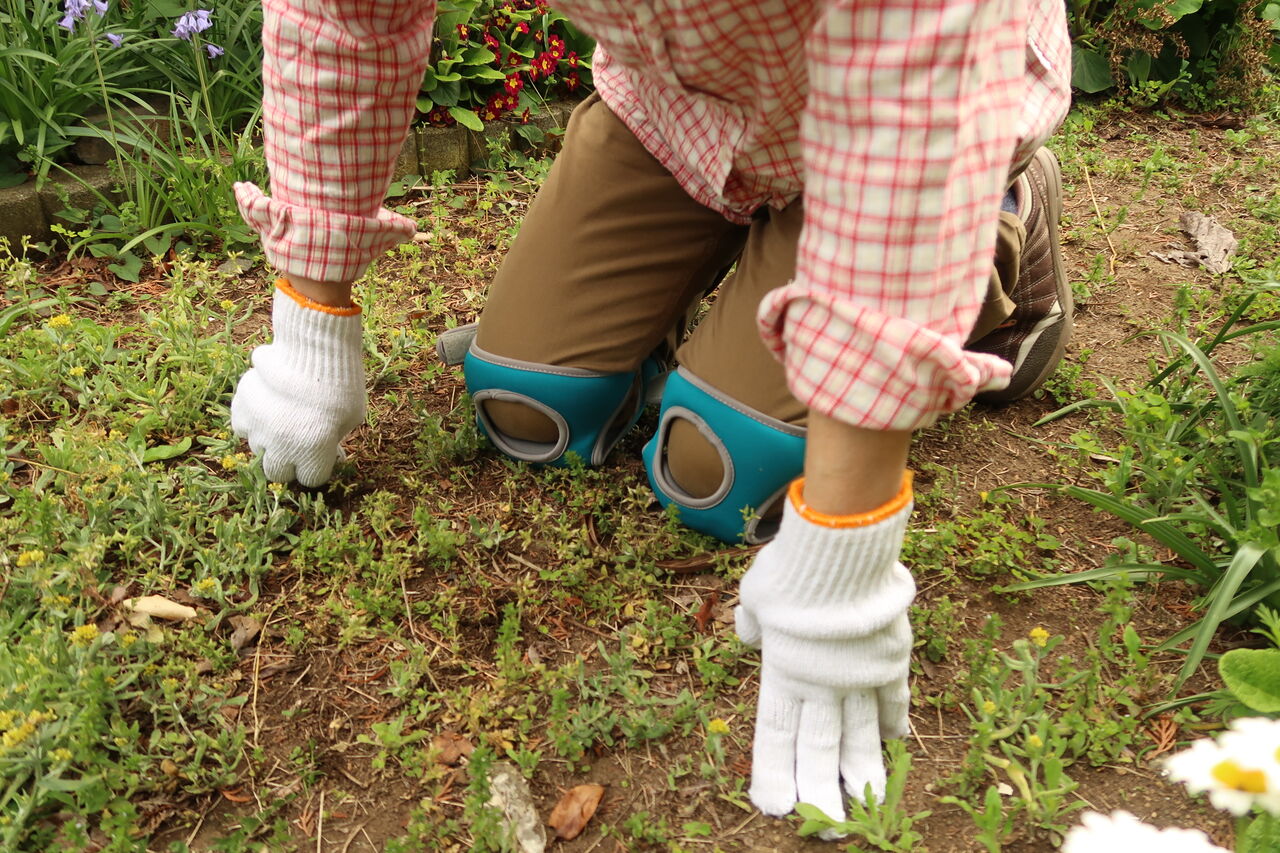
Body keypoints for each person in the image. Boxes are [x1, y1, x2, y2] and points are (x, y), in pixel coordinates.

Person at [228, 0, 1071, 829]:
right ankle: (715, 286)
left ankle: (1005, 207)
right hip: (679, 116)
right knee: (528, 405)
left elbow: (920, 89)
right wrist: (312, 318)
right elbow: (342, 15)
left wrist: (846, 555)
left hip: (911, 118)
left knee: (720, 468)